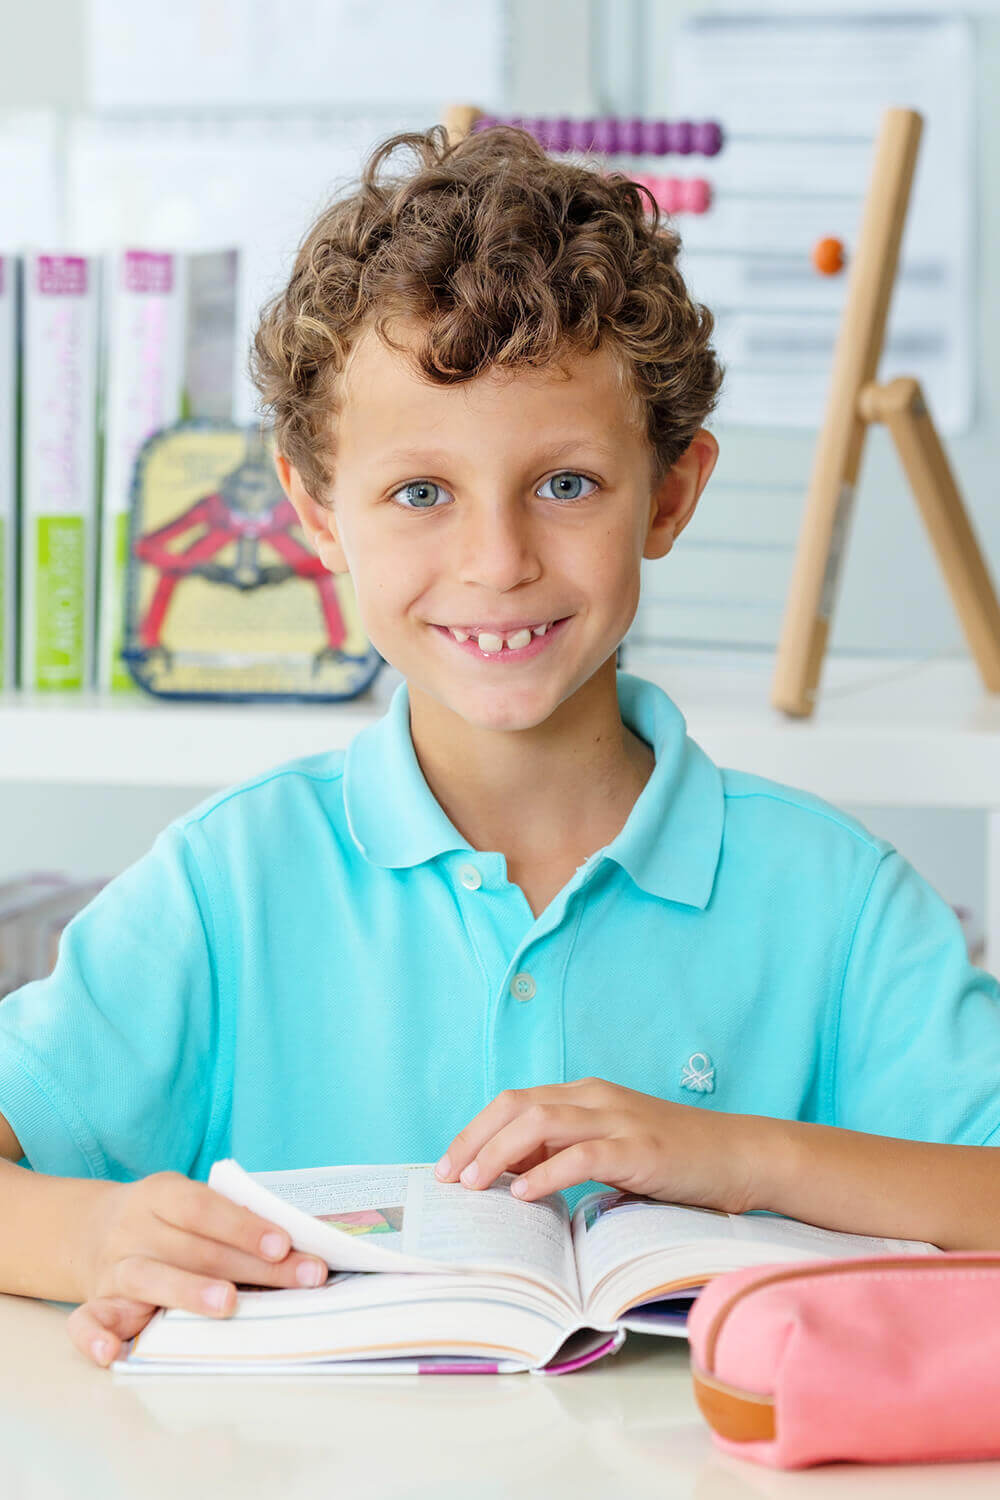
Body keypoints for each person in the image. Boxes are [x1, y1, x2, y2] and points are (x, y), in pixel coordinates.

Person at [1, 125, 998, 1373]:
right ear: (316, 512)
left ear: (672, 493)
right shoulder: (228, 884)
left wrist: (747, 1157)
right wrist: (89, 1232)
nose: (497, 562)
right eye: (421, 493)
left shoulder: (840, 904)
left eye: (566, 485)